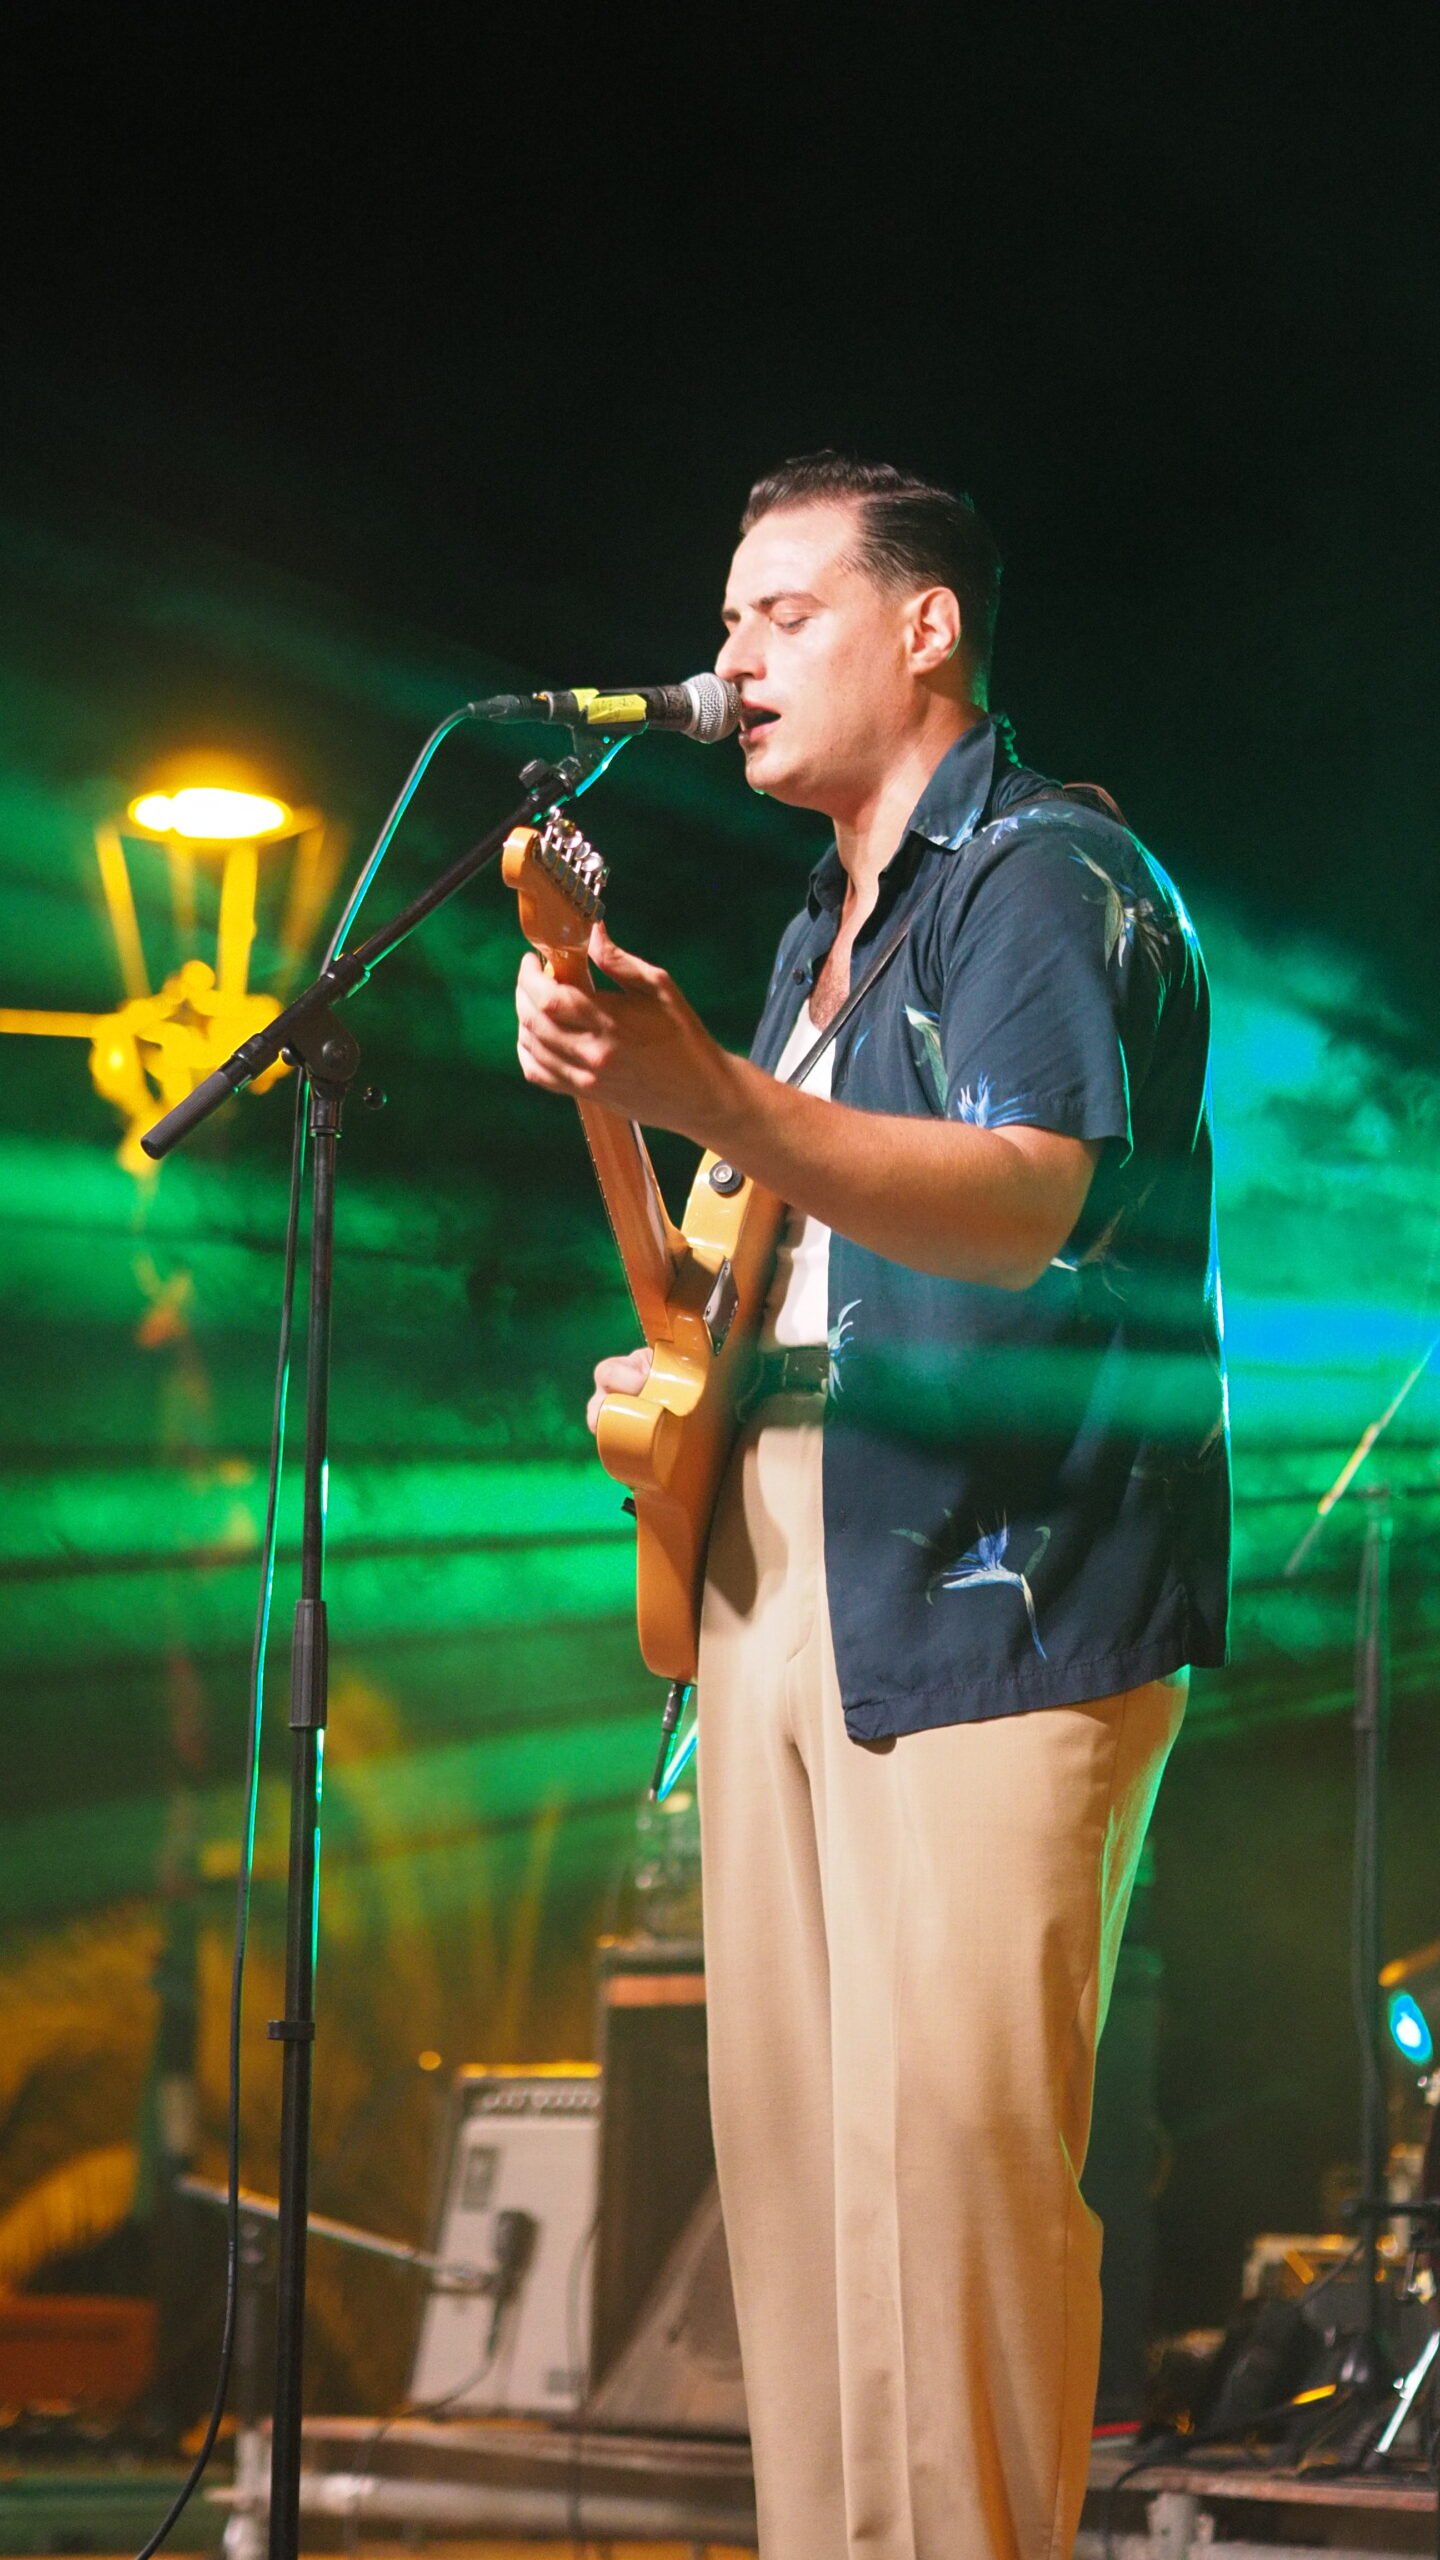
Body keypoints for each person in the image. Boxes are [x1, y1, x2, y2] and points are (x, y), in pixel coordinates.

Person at [515, 454, 1229, 2560]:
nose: (730, 658)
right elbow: (750, 1263)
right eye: (726, 618)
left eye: (783, 612)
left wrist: (712, 1093)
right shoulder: (818, 933)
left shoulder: (1046, 868)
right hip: (783, 1546)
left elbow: (1023, 1201)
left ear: (927, 629)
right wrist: (644, 1189)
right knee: (805, 2182)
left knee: (951, 2175)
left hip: (1001, 1572)